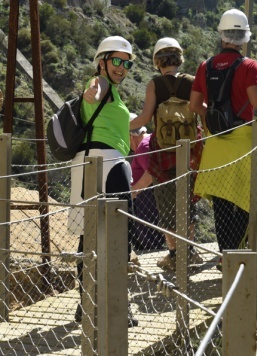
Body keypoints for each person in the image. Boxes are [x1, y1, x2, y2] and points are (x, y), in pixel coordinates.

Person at [189, 9, 257, 270]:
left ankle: (225, 255)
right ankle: (233, 253)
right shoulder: (248, 65)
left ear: (222, 35)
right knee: (253, 195)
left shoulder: (205, 66)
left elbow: (195, 104)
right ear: (244, 38)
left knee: (222, 201)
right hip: (243, 141)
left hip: (215, 143)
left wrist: (214, 117)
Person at [68, 35, 138, 327]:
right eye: (116, 60)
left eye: (126, 63)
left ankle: (87, 303)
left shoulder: (115, 95)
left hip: (85, 163)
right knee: (122, 232)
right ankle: (117, 303)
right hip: (109, 164)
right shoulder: (101, 84)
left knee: (90, 234)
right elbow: (95, 90)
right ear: (102, 62)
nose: (122, 67)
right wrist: (91, 93)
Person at [130, 37, 204, 271]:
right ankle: (190, 253)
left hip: (161, 154)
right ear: (179, 59)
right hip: (188, 153)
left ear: (157, 62)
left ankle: (173, 255)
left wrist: (121, 127)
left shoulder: (155, 85)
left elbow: (144, 118)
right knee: (188, 202)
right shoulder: (192, 82)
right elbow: (201, 114)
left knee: (167, 206)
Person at [129, 113, 165, 251]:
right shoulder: (150, 140)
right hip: (152, 202)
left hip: (148, 204)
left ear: (131, 135)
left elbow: (150, 173)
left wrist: (132, 192)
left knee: (149, 246)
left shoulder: (144, 146)